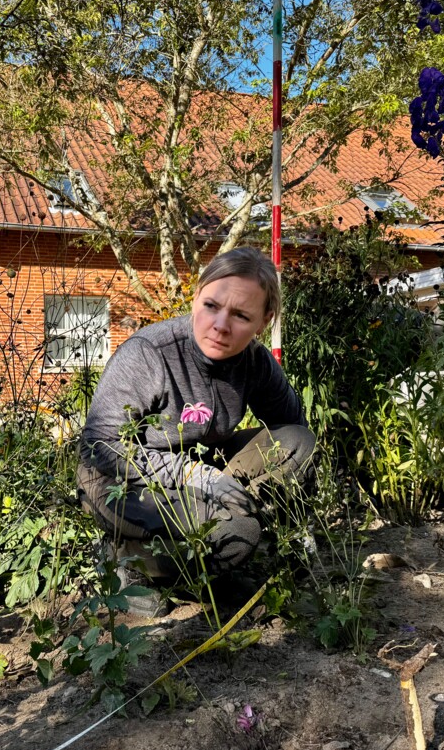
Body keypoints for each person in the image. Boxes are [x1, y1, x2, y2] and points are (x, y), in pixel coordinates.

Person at [77, 246, 315, 609]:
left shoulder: (256, 363)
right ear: (196, 297)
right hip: (119, 482)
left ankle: (216, 553)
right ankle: (126, 561)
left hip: (200, 469)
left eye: (240, 315)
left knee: (299, 443)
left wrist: (296, 518)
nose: (220, 326)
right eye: (211, 306)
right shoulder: (150, 353)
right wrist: (199, 477)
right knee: (238, 532)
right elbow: (100, 446)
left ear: (263, 322)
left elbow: (291, 429)